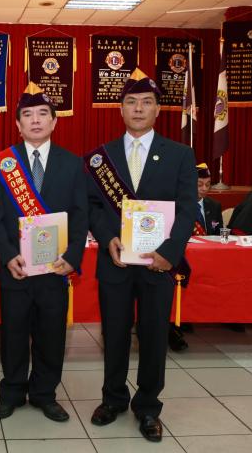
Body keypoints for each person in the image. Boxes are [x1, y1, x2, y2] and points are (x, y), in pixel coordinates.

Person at [84, 69, 197, 442]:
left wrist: (169, 252)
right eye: (131, 102)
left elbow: (187, 210)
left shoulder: (180, 155)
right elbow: (92, 206)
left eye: (146, 102)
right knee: (114, 334)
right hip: (115, 261)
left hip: (157, 265)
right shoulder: (100, 158)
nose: (138, 109)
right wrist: (107, 238)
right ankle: (113, 399)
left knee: (153, 336)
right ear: (120, 109)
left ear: (158, 110)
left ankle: (148, 407)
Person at [0, 84, 88, 423]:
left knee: (51, 334)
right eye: (27, 115)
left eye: (43, 114)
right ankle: (12, 392)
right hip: (16, 267)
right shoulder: (1, 163)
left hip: (55, 268)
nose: (35, 120)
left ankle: (44, 393)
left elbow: (81, 215)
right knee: (13, 334)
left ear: (54, 121)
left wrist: (73, 257)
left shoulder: (72, 164)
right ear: (17, 124)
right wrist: (7, 255)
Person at [168, 163, 224, 352]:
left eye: (208, 184)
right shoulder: (177, 205)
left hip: (209, 259)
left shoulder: (214, 206)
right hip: (184, 259)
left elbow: (218, 233)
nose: (204, 189)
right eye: (199, 184)